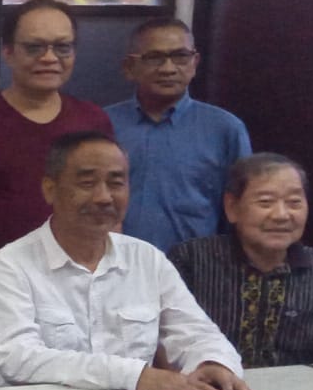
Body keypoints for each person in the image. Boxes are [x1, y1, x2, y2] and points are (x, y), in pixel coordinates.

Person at [0, 131, 263, 390]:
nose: (104, 197)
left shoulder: (147, 258)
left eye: (116, 183)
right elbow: (18, 359)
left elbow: (196, 331)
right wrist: (138, 377)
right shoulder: (11, 264)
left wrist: (213, 362)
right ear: (49, 189)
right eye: (87, 183)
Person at [0, 0, 112, 292]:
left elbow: (108, 212)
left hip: (76, 279)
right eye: (34, 47)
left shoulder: (93, 121)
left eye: (62, 47)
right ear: (9, 52)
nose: (49, 58)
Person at [170, 153, 313, 367]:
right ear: (232, 207)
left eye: (294, 203)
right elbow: (165, 343)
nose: (281, 215)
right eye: (265, 202)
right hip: (209, 385)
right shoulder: (191, 260)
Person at [106, 18, 250, 252]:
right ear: (129, 67)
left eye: (180, 56)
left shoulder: (225, 129)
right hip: (114, 263)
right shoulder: (102, 125)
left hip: (198, 266)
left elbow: (241, 210)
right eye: (154, 58)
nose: (168, 68)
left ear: (195, 62)